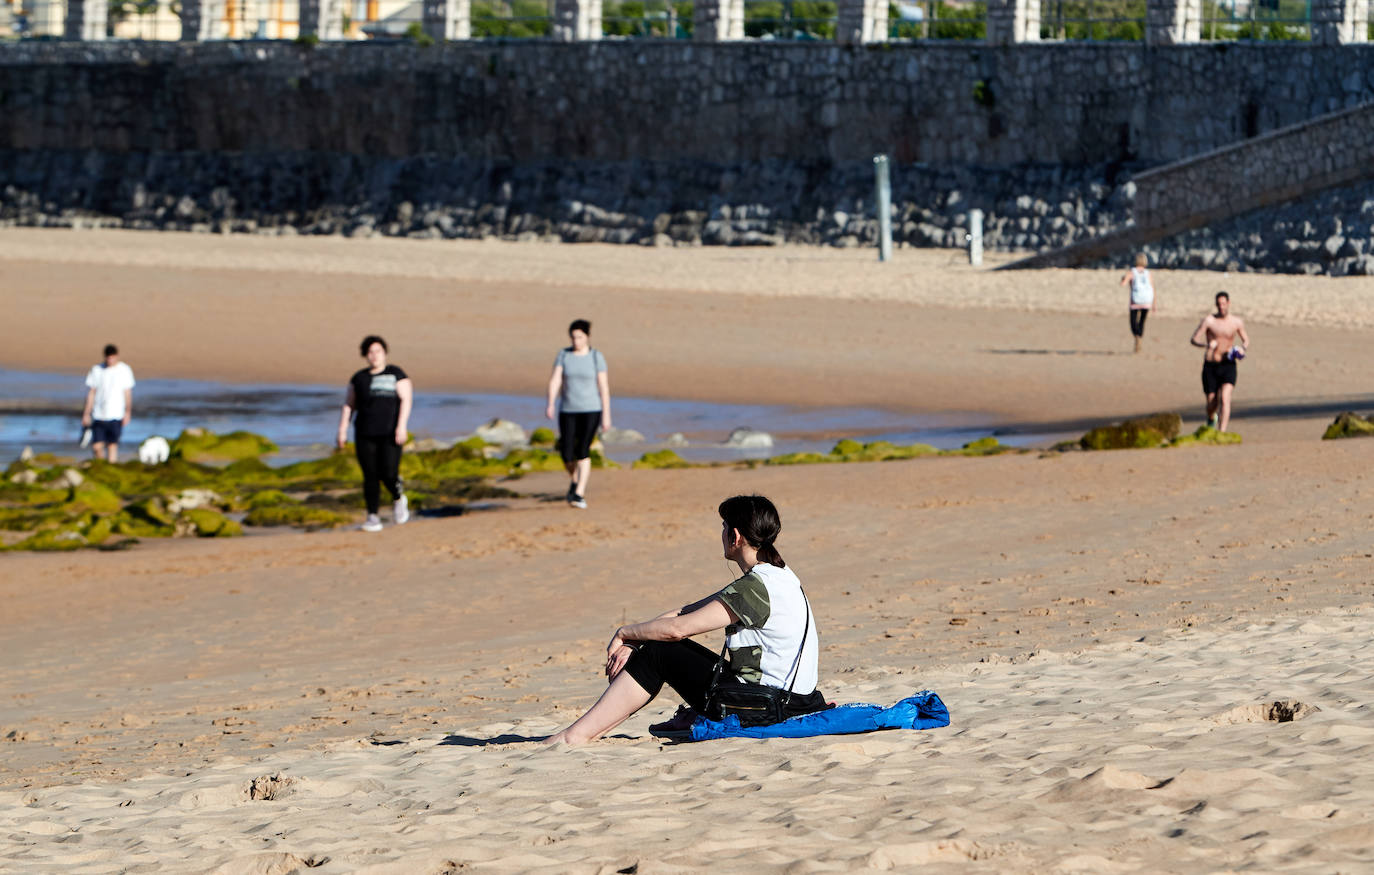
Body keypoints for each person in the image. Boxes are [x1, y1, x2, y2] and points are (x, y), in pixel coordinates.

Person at [545, 495, 829, 746]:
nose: (721, 534)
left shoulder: (755, 587)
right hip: (793, 700)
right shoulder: (778, 576)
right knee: (654, 642)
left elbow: (677, 630)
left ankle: (576, 736)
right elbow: (684, 612)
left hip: (767, 707)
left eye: (723, 527)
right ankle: (582, 732)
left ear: (736, 536)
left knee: (659, 651)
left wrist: (624, 632)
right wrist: (633, 640)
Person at [337, 335, 413, 533]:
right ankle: (373, 517)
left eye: (378, 351)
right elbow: (349, 405)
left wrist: (401, 426)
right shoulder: (359, 378)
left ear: (385, 353)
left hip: (390, 433)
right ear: (365, 355)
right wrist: (342, 430)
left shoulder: (396, 373)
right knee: (370, 475)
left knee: (389, 473)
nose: (374, 355)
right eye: (370, 352)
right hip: (364, 433)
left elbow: (406, 400)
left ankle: (398, 498)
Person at [544, 319, 611, 510]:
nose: (576, 341)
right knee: (566, 453)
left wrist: (607, 415)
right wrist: (550, 403)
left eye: (580, 337)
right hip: (568, 409)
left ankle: (579, 493)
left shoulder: (596, 357)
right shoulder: (564, 355)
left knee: (583, 450)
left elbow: (603, 387)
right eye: (573, 337)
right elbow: (555, 380)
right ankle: (575, 478)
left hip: (591, 410)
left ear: (587, 337)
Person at [1190, 291, 1250, 432]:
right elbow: (1194, 339)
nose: (1221, 307)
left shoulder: (1236, 322)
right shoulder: (1209, 321)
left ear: (1228, 303)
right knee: (1212, 402)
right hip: (1211, 364)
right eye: (1218, 304)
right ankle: (1211, 418)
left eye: (1223, 304)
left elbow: (1246, 340)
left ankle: (1221, 431)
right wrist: (1206, 345)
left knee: (1225, 398)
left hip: (1228, 364)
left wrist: (1242, 349)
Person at [81, 344, 135, 463]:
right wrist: (86, 413)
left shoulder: (124, 370)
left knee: (112, 445)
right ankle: (101, 466)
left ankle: (111, 467)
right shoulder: (97, 370)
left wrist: (128, 412)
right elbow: (91, 393)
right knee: (97, 446)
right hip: (99, 414)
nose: (110, 360)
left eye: (112, 357)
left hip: (116, 414)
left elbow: (127, 393)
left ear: (117, 356)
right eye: (108, 357)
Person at [1120, 253, 1157, 354]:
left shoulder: (1132, 272)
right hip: (1147, 301)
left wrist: (1123, 279)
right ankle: (1139, 337)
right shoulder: (1147, 273)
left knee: (1133, 322)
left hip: (1135, 301)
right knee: (1142, 322)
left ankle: (1137, 336)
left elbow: (1123, 284)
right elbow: (1153, 289)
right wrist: (1154, 304)